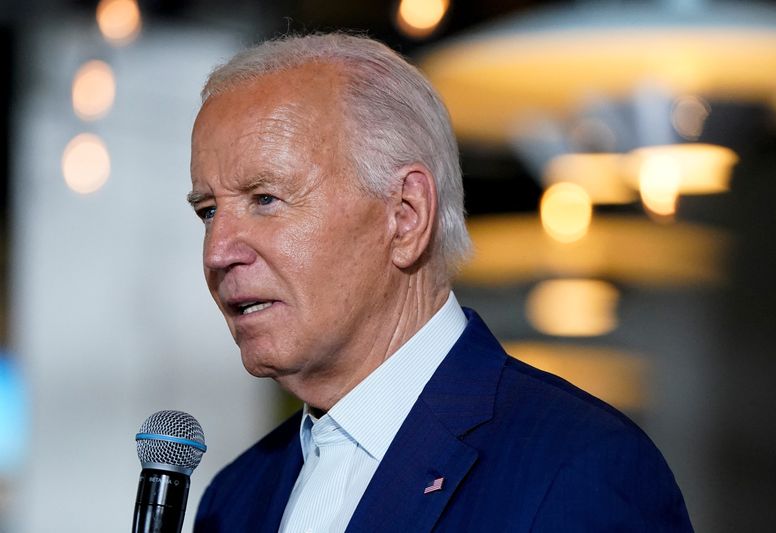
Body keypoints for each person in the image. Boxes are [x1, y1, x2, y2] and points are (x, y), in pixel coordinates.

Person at [189, 33, 693, 532]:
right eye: (208, 211)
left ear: (406, 217)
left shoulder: (579, 470)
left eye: (265, 199)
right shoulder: (234, 498)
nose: (217, 252)